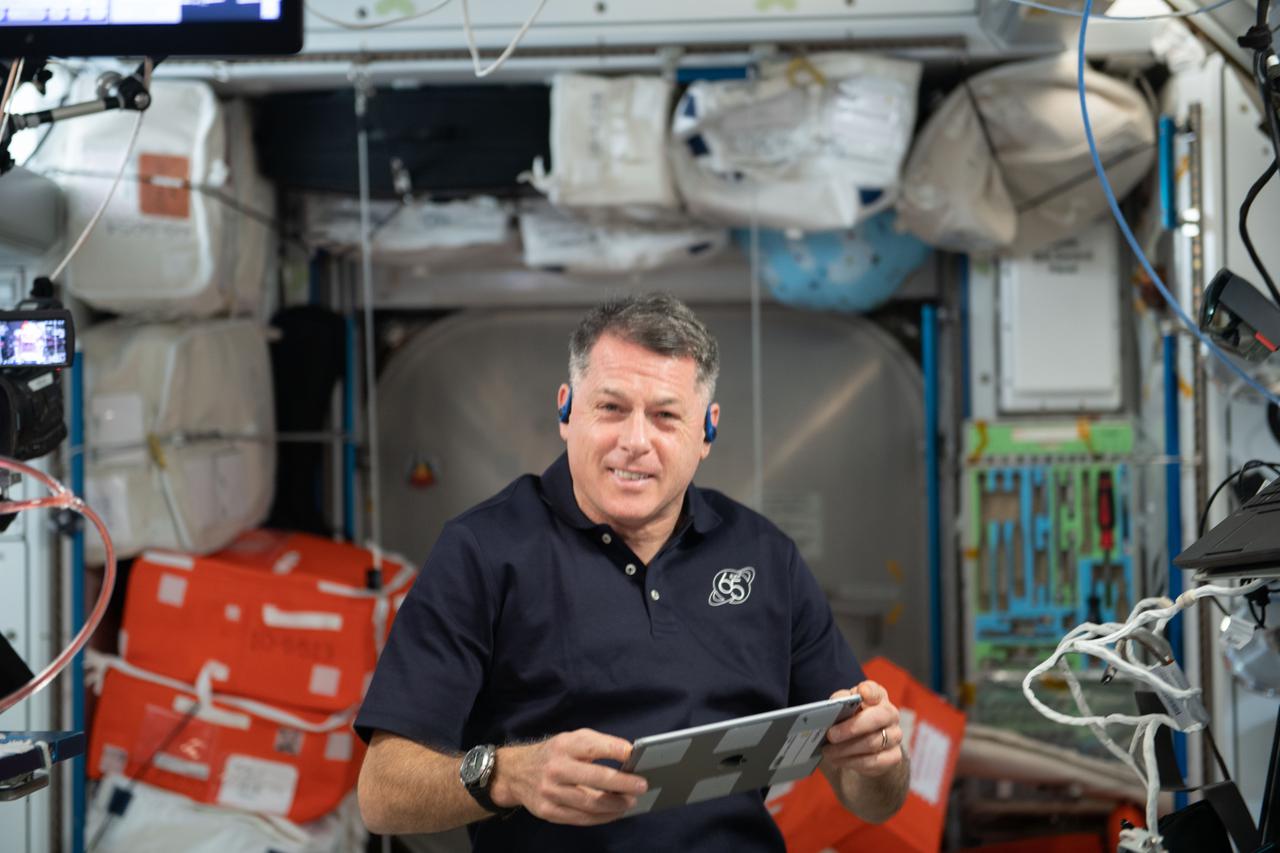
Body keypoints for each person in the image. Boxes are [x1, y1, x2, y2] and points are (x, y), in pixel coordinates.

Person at [355, 292, 910, 851]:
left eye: (666, 416)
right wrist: (507, 775)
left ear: (707, 432)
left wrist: (879, 758)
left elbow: (872, 796)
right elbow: (380, 794)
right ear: (566, 411)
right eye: (611, 408)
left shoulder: (765, 556)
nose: (635, 441)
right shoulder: (482, 551)